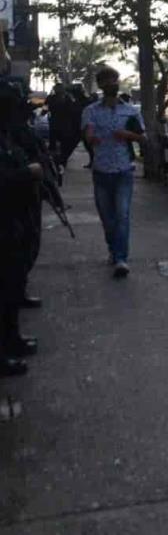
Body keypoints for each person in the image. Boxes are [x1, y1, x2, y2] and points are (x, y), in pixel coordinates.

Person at [81, 67, 145, 278]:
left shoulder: (130, 111)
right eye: (107, 81)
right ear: (100, 85)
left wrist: (127, 134)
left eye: (114, 80)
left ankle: (121, 259)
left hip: (124, 170)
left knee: (122, 214)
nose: (111, 84)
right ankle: (113, 248)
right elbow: (88, 133)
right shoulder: (91, 111)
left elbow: (142, 137)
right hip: (101, 171)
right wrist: (92, 138)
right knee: (108, 218)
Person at [0, 79, 43, 376]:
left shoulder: (8, 132)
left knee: (12, 283)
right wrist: (26, 173)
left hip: (14, 216)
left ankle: (11, 341)